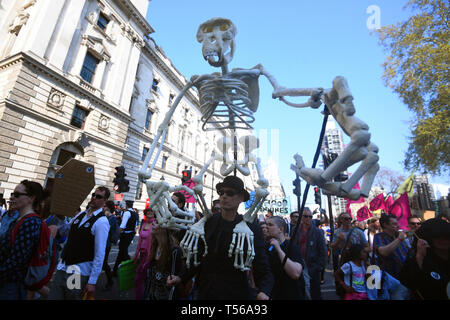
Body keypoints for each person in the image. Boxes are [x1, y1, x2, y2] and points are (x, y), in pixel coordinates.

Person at [166, 176, 273, 300]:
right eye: (221, 192)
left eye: (230, 193)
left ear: (241, 198)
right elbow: (199, 255)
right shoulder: (209, 222)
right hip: (206, 292)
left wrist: (264, 290)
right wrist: (181, 277)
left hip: (235, 294)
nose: (224, 196)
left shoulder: (251, 228)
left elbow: (261, 263)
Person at [48, 186, 110, 300]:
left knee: (71, 297)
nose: (94, 198)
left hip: (77, 271)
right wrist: (61, 218)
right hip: (63, 266)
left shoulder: (102, 221)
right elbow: (64, 231)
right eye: (93, 195)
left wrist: (92, 281)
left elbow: (100, 253)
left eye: (98, 196)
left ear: (105, 201)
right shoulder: (81, 215)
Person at [0, 180, 44, 300]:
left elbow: (16, 261)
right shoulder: (20, 220)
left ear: (31, 198)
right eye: (12, 194)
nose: (12, 197)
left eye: (17, 194)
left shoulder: (31, 222)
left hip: (11, 286)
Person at [398, 218, 450, 300]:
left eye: (447, 236)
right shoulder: (421, 258)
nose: (444, 240)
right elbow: (408, 281)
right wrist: (420, 256)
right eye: (438, 237)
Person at [266, 215, 305, 300]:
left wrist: (278, 249)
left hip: (292, 295)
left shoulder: (292, 247)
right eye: (266, 224)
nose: (267, 227)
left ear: (281, 229)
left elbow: (295, 273)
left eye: (270, 225)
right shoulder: (267, 248)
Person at [143, 222, 184, 300]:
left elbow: (173, 283)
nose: (153, 223)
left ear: (165, 228)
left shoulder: (175, 251)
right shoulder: (155, 245)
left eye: (157, 222)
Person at [296, 207, 327, 300]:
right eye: (306, 216)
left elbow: (323, 252)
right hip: (298, 268)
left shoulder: (318, 232)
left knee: (315, 294)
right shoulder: (295, 230)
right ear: (301, 217)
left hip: (313, 269)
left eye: (310, 216)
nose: (308, 218)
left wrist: (318, 267)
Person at [373, 214, 410, 279]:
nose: (397, 226)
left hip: (406, 273)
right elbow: (384, 252)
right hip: (391, 277)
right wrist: (399, 239)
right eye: (394, 224)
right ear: (385, 225)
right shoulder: (379, 236)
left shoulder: (398, 235)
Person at [133, 208, 155, 300]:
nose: (149, 213)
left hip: (149, 255)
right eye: (148, 211)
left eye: (151, 211)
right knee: (144, 279)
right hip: (142, 254)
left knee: (138, 279)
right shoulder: (144, 223)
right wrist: (136, 254)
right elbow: (139, 241)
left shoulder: (156, 224)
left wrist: (150, 256)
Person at [113, 200, 138, 276]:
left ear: (126, 205)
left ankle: (132, 267)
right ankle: (114, 271)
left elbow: (122, 226)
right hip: (130, 234)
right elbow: (135, 226)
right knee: (121, 252)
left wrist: (116, 236)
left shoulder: (127, 213)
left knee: (123, 252)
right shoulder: (135, 213)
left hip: (125, 235)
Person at [102, 200, 118, 291]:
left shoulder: (112, 218)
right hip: (101, 242)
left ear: (108, 207)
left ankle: (110, 281)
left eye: (105, 206)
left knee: (104, 263)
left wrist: (106, 216)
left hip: (106, 244)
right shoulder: (104, 215)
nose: (103, 208)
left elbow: (107, 229)